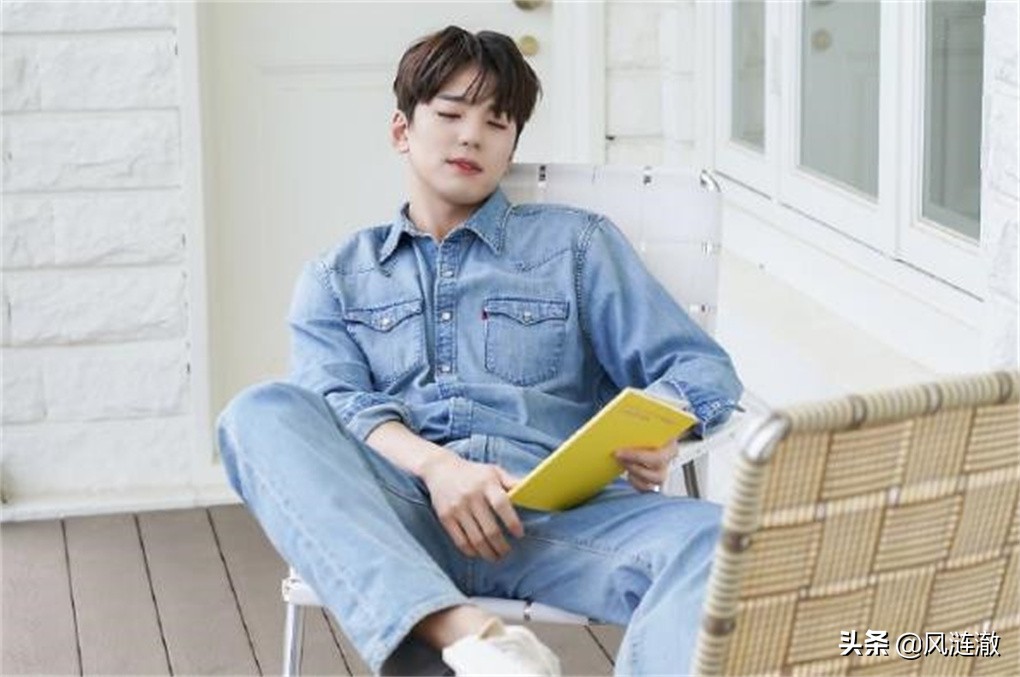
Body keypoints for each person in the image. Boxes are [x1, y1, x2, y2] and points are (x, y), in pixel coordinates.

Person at [218, 25, 743, 676]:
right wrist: (439, 470)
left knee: (722, 541)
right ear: (402, 130)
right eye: (450, 113)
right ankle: (474, 637)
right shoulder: (337, 277)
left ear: (511, 146)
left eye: (497, 123)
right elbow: (333, 403)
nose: (471, 136)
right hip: (398, 519)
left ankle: (465, 642)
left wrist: (664, 424)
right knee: (256, 413)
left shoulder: (576, 246)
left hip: (555, 520)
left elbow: (699, 367)